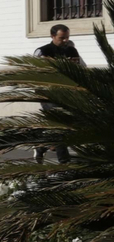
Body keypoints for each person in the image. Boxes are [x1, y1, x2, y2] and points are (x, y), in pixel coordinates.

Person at [33, 24, 82, 164]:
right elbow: (34, 72)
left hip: (68, 93)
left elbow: (80, 70)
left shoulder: (72, 50)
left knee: (65, 125)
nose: (65, 41)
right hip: (48, 94)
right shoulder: (42, 51)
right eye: (62, 38)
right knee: (61, 125)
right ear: (52, 36)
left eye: (67, 37)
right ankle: (64, 162)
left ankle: (41, 147)